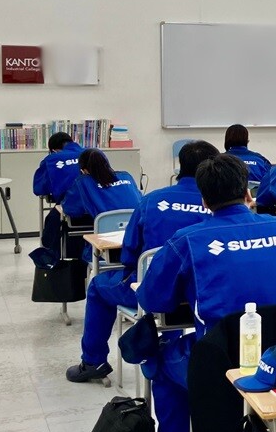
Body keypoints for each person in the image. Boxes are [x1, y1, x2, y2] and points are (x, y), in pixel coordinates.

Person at [137, 154, 276, 432]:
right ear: (248, 192)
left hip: (222, 365)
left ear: (204, 200)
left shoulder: (188, 240)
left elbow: (153, 299)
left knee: (162, 362)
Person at [65, 140, 219, 384]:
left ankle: (93, 361)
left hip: (154, 293)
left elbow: (129, 254)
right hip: (206, 296)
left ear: (180, 166)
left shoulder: (152, 201)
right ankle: (168, 345)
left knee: (98, 286)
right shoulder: (220, 207)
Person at [60, 149, 143, 262]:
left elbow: (71, 209)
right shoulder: (126, 177)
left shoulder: (83, 182)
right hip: (136, 240)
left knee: (84, 251)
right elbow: (140, 200)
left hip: (105, 244)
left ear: (84, 170)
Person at [33, 131, 84, 249]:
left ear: (54, 150)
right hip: (97, 209)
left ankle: (50, 254)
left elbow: (39, 189)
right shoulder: (95, 153)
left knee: (52, 223)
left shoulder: (51, 159)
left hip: (70, 207)